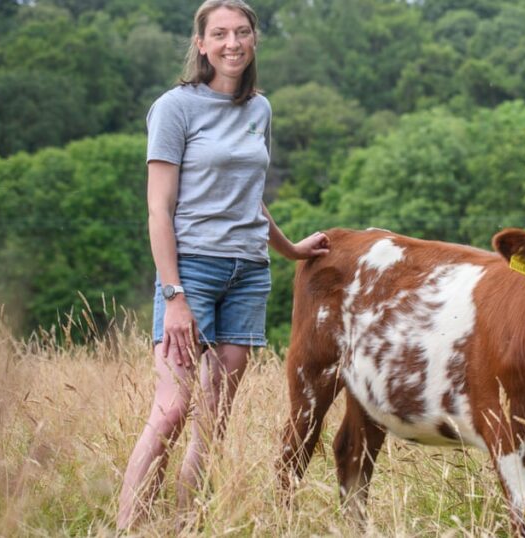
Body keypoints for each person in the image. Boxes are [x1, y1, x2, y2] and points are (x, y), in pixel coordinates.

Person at [116, 0, 329, 529]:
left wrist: (291, 251)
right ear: (202, 45)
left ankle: (186, 522)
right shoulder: (175, 108)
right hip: (191, 271)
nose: (232, 42)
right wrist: (175, 297)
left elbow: (249, 198)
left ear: (254, 40)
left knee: (214, 419)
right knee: (171, 411)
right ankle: (125, 525)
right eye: (220, 34)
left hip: (249, 274)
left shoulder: (260, 109)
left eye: (241, 32)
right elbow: (158, 209)